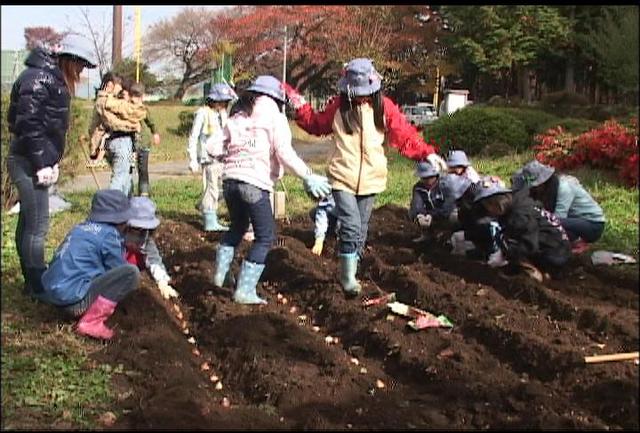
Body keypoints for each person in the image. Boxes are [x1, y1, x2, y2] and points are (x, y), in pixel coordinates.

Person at [282, 57, 447, 295]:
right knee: (349, 225)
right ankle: (347, 278)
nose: (360, 96)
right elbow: (316, 125)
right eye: (355, 92)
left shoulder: (384, 107)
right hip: (342, 176)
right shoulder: (338, 107)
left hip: (371, 178)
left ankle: (353, 267)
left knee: (361, 228)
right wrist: (298, 104)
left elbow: (404, 135)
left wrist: (426, 154)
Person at [212, 75, 331, 304]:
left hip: (229, 182)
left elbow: (212, 146)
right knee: (265, 236)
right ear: (277, 98)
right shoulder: (275, 117)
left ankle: (220, 273)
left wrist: (232, 156)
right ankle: (244, 291)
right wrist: (307, 175)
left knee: (237, 226)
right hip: (254, 184)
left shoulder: (238, 115)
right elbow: (284, 153)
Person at [7, 33, 96, 296]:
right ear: (68, 59)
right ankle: (37, 285)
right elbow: (28, 124)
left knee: (28, 221)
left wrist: (51, 161)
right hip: (27, 160)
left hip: (34, 159)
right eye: (80, 64)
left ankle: (30, 280)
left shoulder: (51, 77)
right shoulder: (38, 79)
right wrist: (41, 163)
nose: (81, 71)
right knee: (38, 225)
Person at [38, 189, 140, 340]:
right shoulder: (109, 236)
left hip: (53, 296)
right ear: (120, 221)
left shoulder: (80, 228)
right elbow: (118, 271)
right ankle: (91, 322)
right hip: (75, 301)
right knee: (130, 273)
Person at [467, 182, 572, 280]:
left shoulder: (519, 216)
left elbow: (529, 244)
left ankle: (536, 273)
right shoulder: (520, 201)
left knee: (508, 244)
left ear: (497, 203)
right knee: (505, 239)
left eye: (489, 205)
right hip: (558, 245)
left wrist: (507, 255)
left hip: (554, 253)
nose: (489, 210)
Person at [516, 160, 605, 254]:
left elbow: (556, 220)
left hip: (593, 224)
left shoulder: (564, 188)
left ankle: (580, 242)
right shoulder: (546, 192)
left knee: (550, 224)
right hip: (572, 220)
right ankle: (572, 241)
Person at [187, 82, 237, 231]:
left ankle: (205, 206)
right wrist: (192, 159)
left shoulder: (223, 115)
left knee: (225, 189)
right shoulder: (203, 113)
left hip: (223, 157)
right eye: (222, 101)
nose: (224, 104)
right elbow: (193, 136)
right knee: (212, 188)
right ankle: (210, 220)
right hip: (209, 158)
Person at [102, 80, 160, 197]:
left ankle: (144, 194)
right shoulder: (126, 107)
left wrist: (155, 133)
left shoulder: (143, 109)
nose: (135, 99)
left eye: (138, 97)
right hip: (132, 145)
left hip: (143, 144)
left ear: (142, 97)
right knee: (129, 169)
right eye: (133, 96)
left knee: (142, 170)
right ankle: (129, 194)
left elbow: (151, 122)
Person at [124, 196, 178, 299]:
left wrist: (162, 282)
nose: (140, 236)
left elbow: (154, 261)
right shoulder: (116, 240)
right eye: (136, 230)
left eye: (144, 231)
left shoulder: (146, 240)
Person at [408, 160, 450, 243]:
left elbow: (449, 206)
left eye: (430, 177)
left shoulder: (446, 184)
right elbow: (416, 204)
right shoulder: (418, 188)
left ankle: (449, 235)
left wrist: (432, 215)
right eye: (424, 178)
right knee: (411, 213)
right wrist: (419, 215)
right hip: (428, 215)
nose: (427, 180)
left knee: (453, 215)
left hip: (444, 214)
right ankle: (427, 234)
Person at [88, 71, 123, 162]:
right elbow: (111, 121)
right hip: (99, 143)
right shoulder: (103, 100)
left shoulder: (110, 99)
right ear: (110, 85)